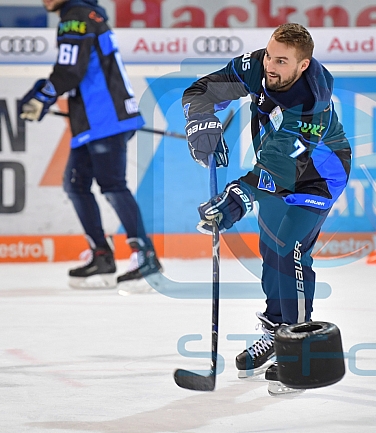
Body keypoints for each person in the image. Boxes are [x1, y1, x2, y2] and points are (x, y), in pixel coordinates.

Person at [182, 23, 351, 382]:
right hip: (273, 170)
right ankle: (277, 328)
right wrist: (201, 121)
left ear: (302, 66)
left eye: (282, 61)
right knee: (272, 250)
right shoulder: (257, 67)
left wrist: (237, 197)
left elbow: (282, 164)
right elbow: (199, 92)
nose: (271, 66)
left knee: (289, 248)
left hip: (318, 176)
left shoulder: (312, 103)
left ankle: (300, 341)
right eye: (270, 55)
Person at [18, 0, 162, 290]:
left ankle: (145, 258)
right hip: (94, 119)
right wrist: (42, 95)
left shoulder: (75, 16)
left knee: (112, 184)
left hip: (105, 117)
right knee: (76, 184)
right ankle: (102, 256)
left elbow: (70, 70)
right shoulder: (87, 14)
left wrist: (41, 97)